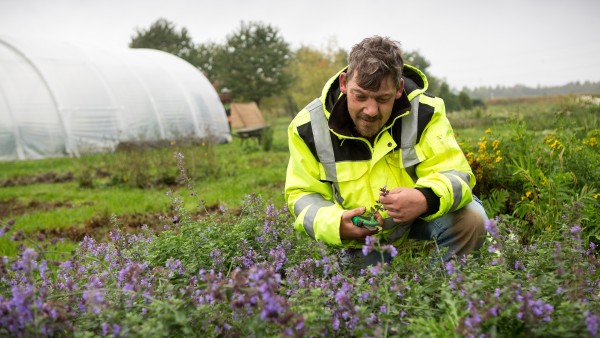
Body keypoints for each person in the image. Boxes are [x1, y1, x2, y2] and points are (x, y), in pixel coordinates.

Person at [284, 36, 487, 267]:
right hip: (362, 236)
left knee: (472, 218)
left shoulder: (426, 112)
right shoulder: (308, 126)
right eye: (360, 96)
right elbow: (302, 195)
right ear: (343, 83)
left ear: (399, 88)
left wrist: (426, 198)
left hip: (419, 216)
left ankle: (444, 297)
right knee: (362, 301)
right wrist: (336, 223)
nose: (370, 110)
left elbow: (457, 175)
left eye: (383, 99)